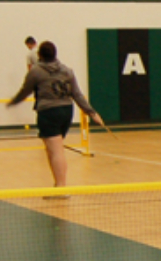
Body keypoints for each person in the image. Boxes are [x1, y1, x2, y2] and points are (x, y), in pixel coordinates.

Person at [6, 41, 104, 197]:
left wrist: (12, 103)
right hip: (66, 111)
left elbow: (25, 91)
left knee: (56, 151)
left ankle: (61, 188)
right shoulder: (67, 70)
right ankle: (58, 184)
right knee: (52, 149)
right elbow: (77, 94)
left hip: (48, 112)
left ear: (40, 55)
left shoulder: (36, 71)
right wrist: (91, 112)